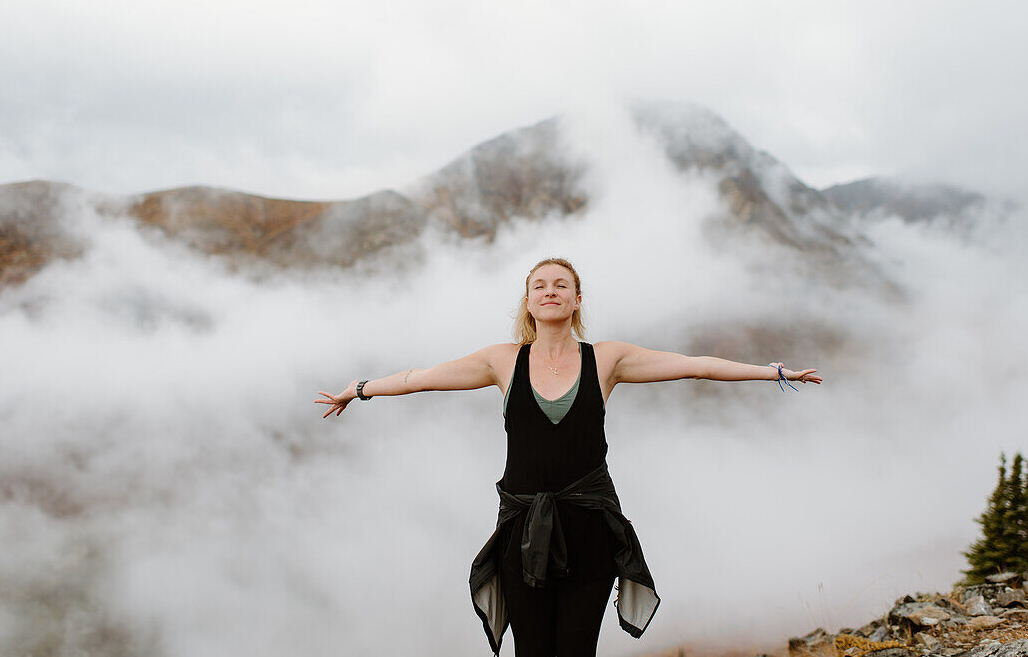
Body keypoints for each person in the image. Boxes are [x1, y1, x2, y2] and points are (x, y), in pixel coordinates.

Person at [315, 257, 822, 657]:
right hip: (522, 531)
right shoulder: (502, 360)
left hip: (589, 530)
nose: (550, 291)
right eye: (540, 285)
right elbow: (418, 378)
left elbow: (695, 366)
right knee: (532, 651)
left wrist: (772, 371)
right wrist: (359, 390)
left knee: (578, 650)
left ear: (576, 299)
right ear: (529, 301)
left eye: (561, 284)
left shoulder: (606, 358)